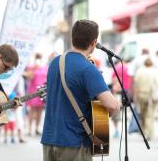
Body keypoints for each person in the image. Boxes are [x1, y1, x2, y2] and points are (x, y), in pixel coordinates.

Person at [41, 20, 120, 161]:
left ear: (73, 38)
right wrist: (105, 116)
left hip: (49, 139)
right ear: (94, 42)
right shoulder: (88, 69)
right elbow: (112, 105)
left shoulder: (55, 63)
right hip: (74, 142)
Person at [134, 58, 158, 140]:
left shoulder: (139, 71)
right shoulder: (154, 71)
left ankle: (144, 131)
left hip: (141, 95)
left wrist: (135, 95)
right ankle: (149, 133)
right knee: (150, 115)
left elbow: (136, 84)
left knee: (142, 114)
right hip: (151, 96)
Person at [24, 53, 47, 136]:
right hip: (33, 90)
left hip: (42, 91)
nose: (39, 59)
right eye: (38, 57)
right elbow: (28, 77)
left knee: (39, 111)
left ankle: (37, 128)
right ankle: (30, 128)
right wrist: (33, 69)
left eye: (40, 57)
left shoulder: (45, 67)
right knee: (32, 110)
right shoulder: (31, 67)